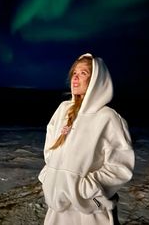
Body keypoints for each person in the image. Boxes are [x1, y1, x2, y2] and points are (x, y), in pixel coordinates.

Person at [38, 53, 135, 225]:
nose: (75, 77)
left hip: (89, 212)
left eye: (83, 73)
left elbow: (120, 167)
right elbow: (50, 151)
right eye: (74, 73)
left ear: (97, 80)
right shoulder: (63, 110)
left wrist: (85, 187)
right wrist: (50, 177)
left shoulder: (108, 118)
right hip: (56, 211)